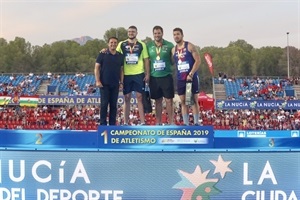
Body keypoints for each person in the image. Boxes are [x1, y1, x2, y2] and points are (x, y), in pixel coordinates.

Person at [117, 25, 150, 125]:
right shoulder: (121, 44)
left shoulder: (141, 44)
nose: (131, 33)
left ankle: (143, 122)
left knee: (140, 97)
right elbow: (115, 55)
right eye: (130, 31)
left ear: (136, 33)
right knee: (126, 98)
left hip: (138, 74)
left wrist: (147, 73)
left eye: (133, 31)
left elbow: (146, 60)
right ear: (128, 33)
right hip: (127, 74)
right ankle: (126, 122)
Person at [172, 27, 201, 125]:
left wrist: (191, 73)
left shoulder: (189, 46)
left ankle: (196, 122)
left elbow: (198, 60)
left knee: (193, 100)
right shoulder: (173, 50)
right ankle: (186, 123)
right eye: (174, 34)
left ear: (182, 35)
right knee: (183, 101)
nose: (176, 36)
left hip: (191, 78)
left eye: (178, 34)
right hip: (180, 79)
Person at [147, 25, 175, 125]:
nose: (157, 35)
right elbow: (146, 61)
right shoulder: (149, 45)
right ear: (153, 34)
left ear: (162, 33)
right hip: (154, 77)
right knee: (157, 101)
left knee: (169, 100)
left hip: (166, 75)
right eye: (155, 33)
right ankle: (158, 122)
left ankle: (171, 122)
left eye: (159, 33)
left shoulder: (170, 45)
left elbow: (174, 59)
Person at [94, 37, 124, 125]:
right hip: (104, 84)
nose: (113, 44)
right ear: (108, 43)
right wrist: (97, 80)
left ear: (117, 44)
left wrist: (121, 82)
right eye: (111, 42)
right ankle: (103, 124)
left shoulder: (120, 56)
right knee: (104, 104)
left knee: (113, 105)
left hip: (115, 84)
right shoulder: (102, 54)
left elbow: (121, 70)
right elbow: (96, 68)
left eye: (115, 42)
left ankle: (112, 124)